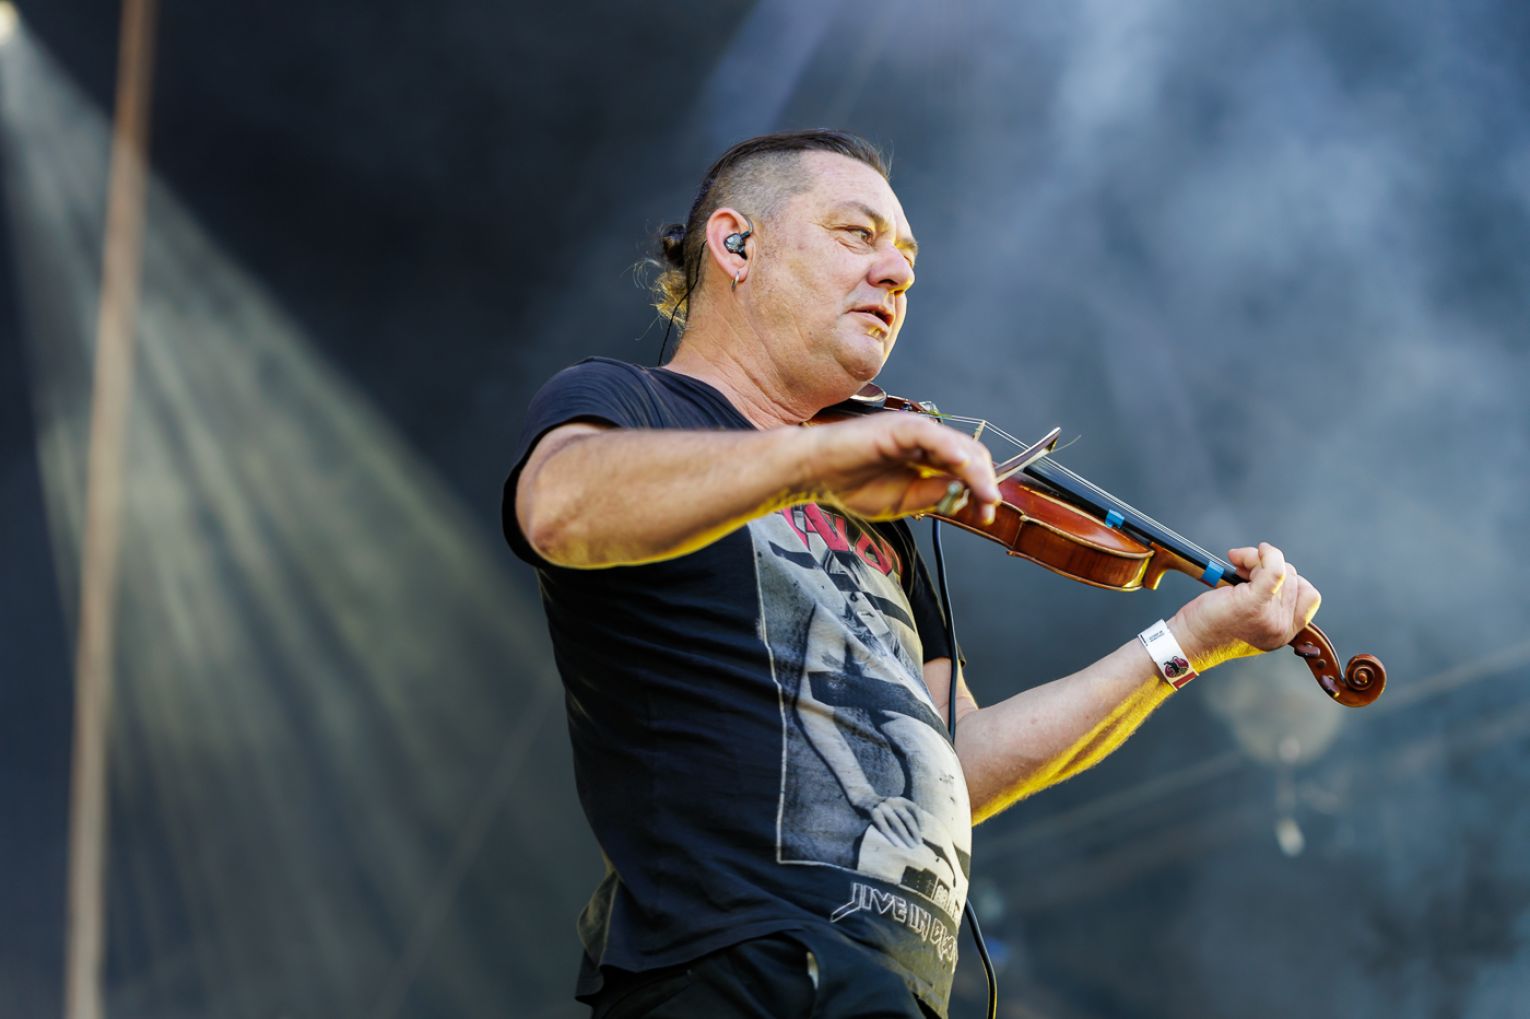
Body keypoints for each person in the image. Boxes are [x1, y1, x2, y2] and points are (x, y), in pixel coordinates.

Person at [501, 129, 1319, 1018]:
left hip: (886, 985)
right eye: (858, 234)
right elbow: (558, 507)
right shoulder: (631, 403)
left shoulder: (878, 509)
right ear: (737, 244)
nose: (896, 273)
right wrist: (806, 462)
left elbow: (952, 765)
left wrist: (1188, 642)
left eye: (908, 258)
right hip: (736, 967)